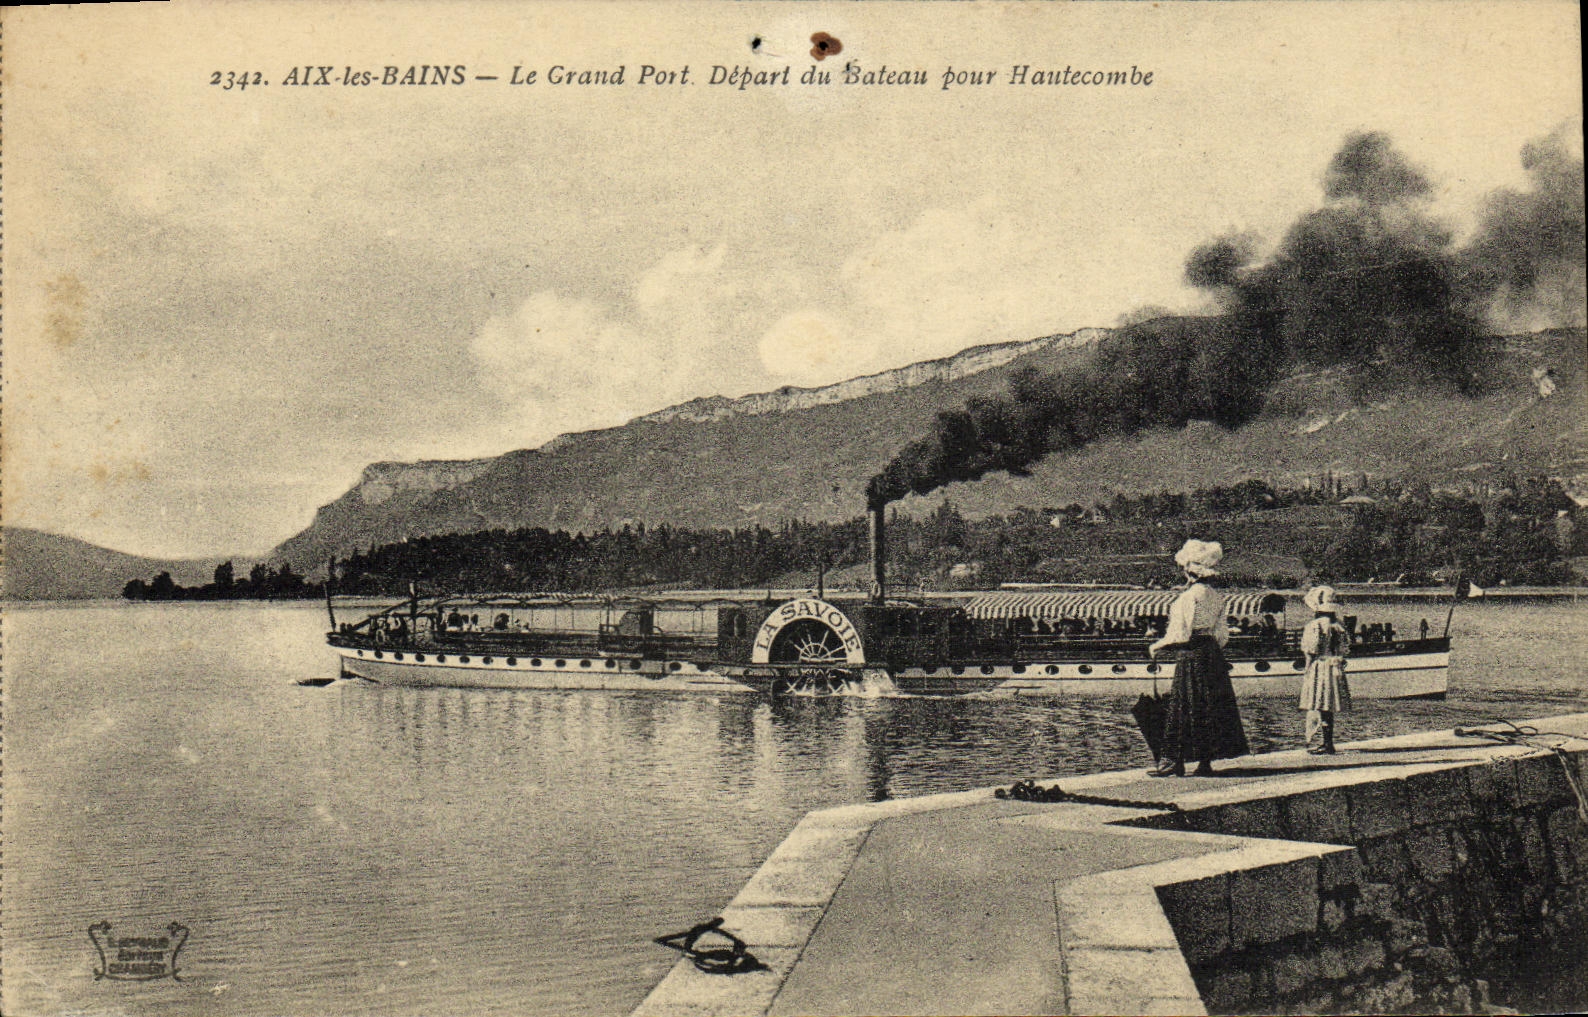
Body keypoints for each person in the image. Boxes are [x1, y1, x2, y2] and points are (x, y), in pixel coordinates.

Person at [1147, 539, 1249, 777]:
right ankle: (1205, 761)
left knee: (1183, 706)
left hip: (1191, 654)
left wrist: (1157, 646)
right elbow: (1222, 634)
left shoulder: (1187, 598)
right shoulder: (1216, 596)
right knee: (1208, 706)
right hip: (1211, 653)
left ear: (1189, 572)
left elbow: (1180, 633)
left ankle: (1174, 761)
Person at [1299, 585, 1352, 755]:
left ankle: (1326, 743)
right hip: (1335, 665)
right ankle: (1328, 741)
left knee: (1320, 703)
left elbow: (1311, 650)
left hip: (1320, 666)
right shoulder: (1339, 626)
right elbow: (1345, 650)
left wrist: (1307, 670)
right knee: (1327, 706)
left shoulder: (1314, 626)